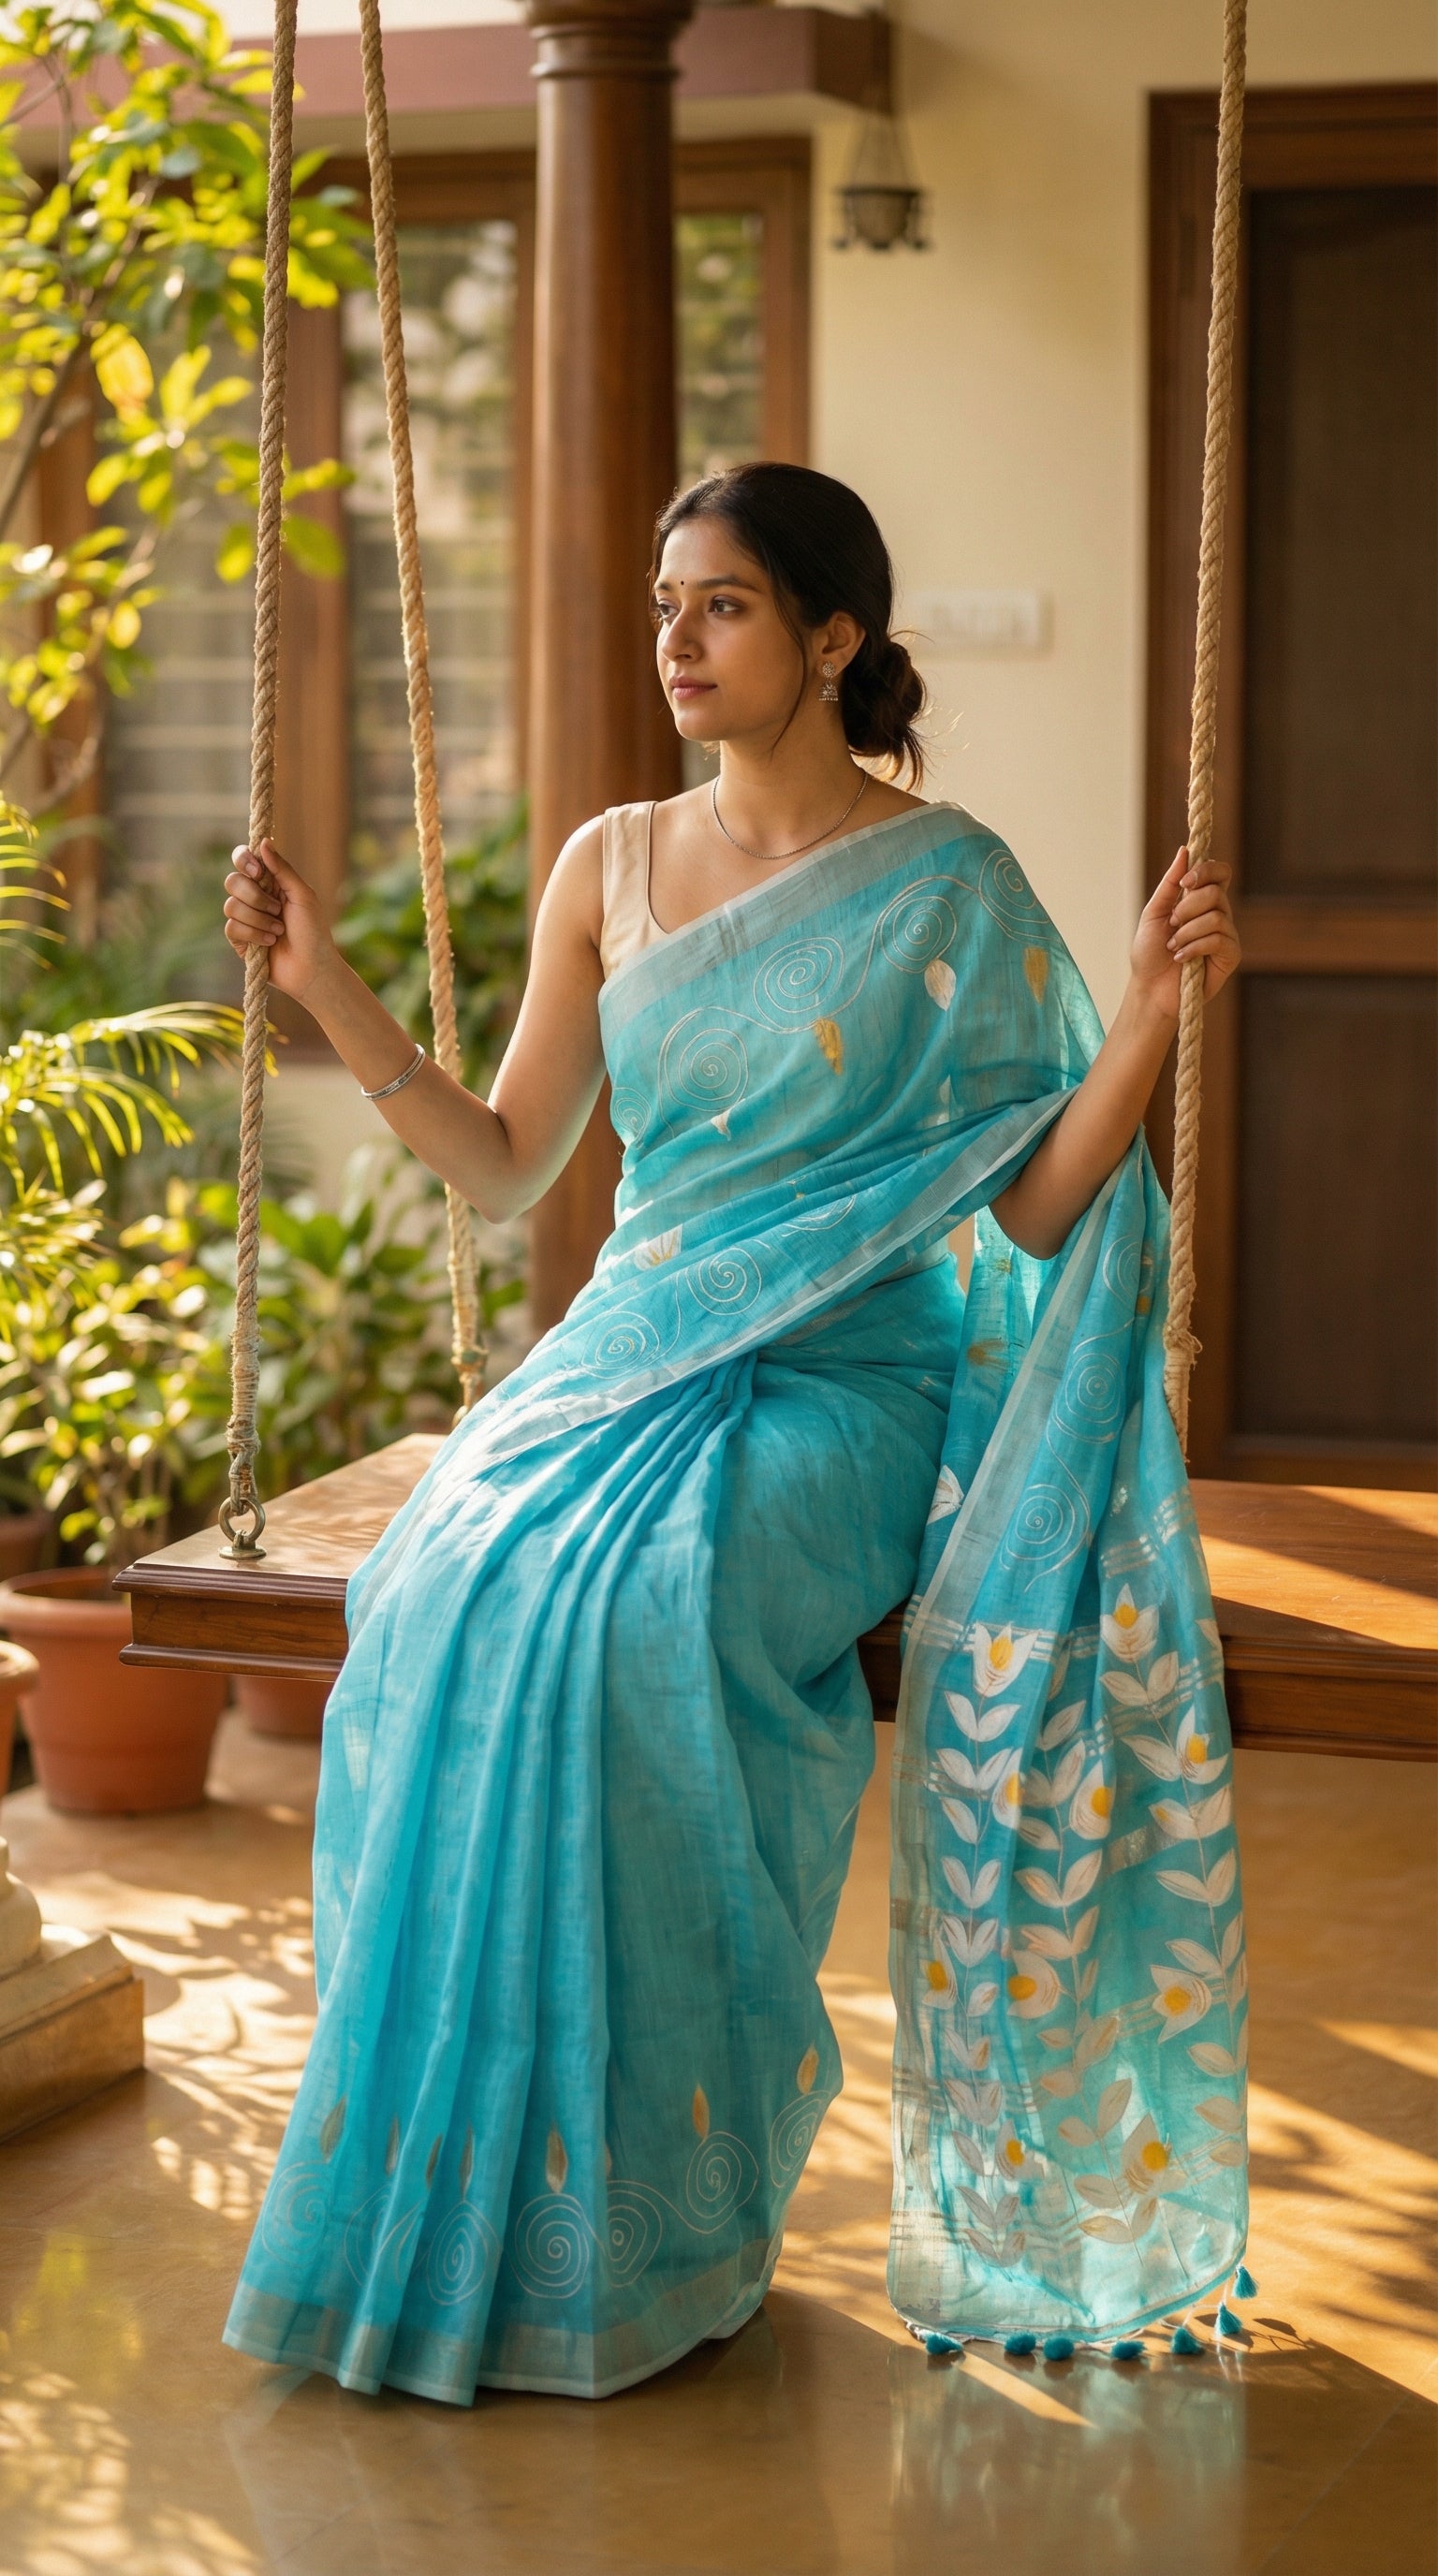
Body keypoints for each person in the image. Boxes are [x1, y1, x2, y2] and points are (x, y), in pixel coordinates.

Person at [221, 463, 1246, 2404]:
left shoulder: (945, 886)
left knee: (644, 1616)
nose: (677, 643)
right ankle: (472, 2203)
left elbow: (1028, 1213)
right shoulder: (610, 861)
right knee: (443, 1592)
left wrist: (1142, 1017)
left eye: (726, 608)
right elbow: (514, 1163)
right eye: (667, 605)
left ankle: (664, 2211)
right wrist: (318, 983)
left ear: (834, 638)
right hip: (625, 1359)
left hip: (845, 1391)